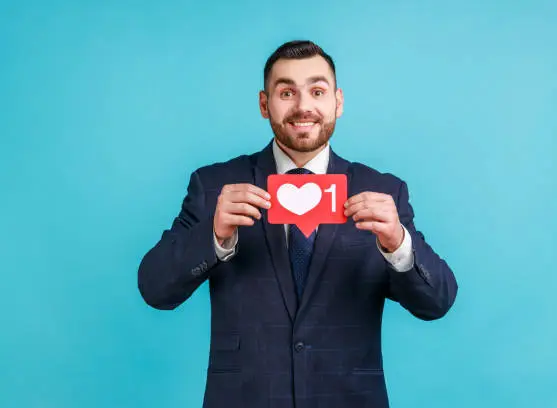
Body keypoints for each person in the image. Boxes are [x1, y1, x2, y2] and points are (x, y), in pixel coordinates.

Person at [137, 40, 458, 408]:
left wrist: (399, 244)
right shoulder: (215, 187)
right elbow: (154, 288)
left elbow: (438, 302)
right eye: (286, 92)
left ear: (337, 102)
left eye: (317, 91)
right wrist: (213, 235)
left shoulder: (384, 191)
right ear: (264, 104)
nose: (303, 106)